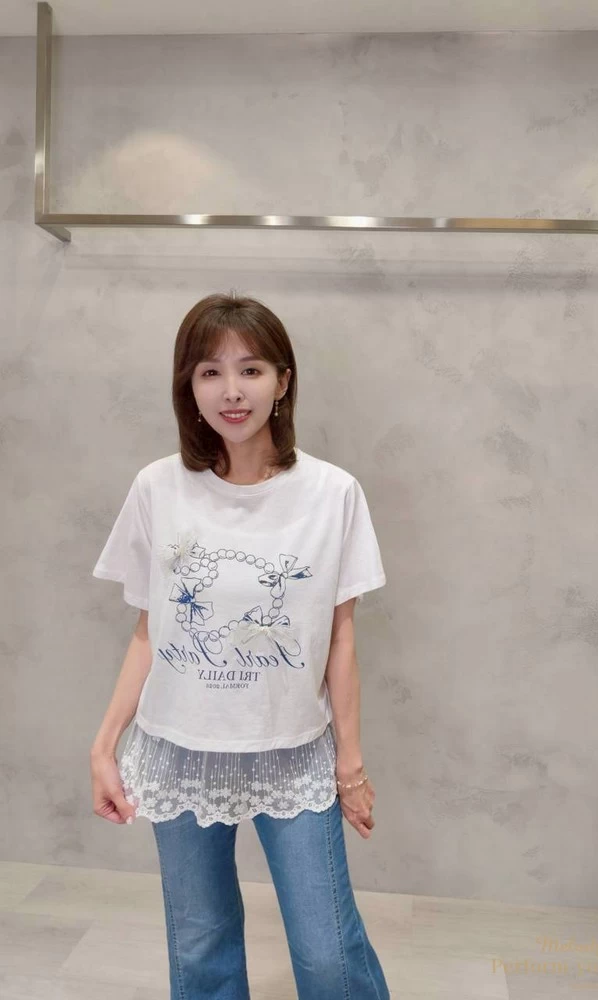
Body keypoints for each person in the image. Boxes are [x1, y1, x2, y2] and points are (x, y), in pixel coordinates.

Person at [88, 291, 391, 1000]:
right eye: (210, 372)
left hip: (291, 749)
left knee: (327, 954)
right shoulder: (158, 487)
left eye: (251, 370)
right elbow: (151, 630)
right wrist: (105, 747)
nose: (232, 390)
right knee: (201, 949)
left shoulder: (333, 493)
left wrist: (350, 766)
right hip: (179, 749)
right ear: (188, 387)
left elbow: (340, 637)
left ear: (283, 381)